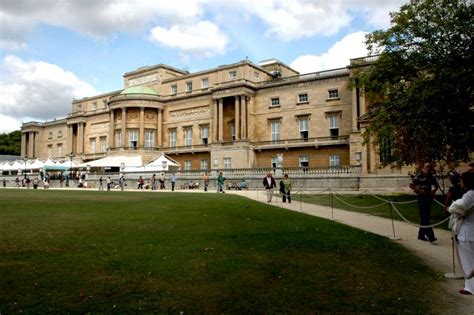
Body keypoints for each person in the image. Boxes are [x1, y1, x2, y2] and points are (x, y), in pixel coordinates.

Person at [448, 171, 474, 295]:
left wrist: (453, 205)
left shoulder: (470, 195)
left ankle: (470, 286)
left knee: (468, 260)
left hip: (468, 231)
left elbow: (457, 209)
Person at [410, 162, 439, 242]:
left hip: (428, 197)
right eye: (427, 167)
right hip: (421, 198)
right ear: (423, 167)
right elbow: (412, 185)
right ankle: (431, 236)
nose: (428, 168)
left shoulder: (431, 176)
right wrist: (420, 190)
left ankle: (421, 235)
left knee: (425, 217)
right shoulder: (419, 175)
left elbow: (436, 185)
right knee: (425, 216)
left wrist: (433, 192)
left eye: (430, 167)